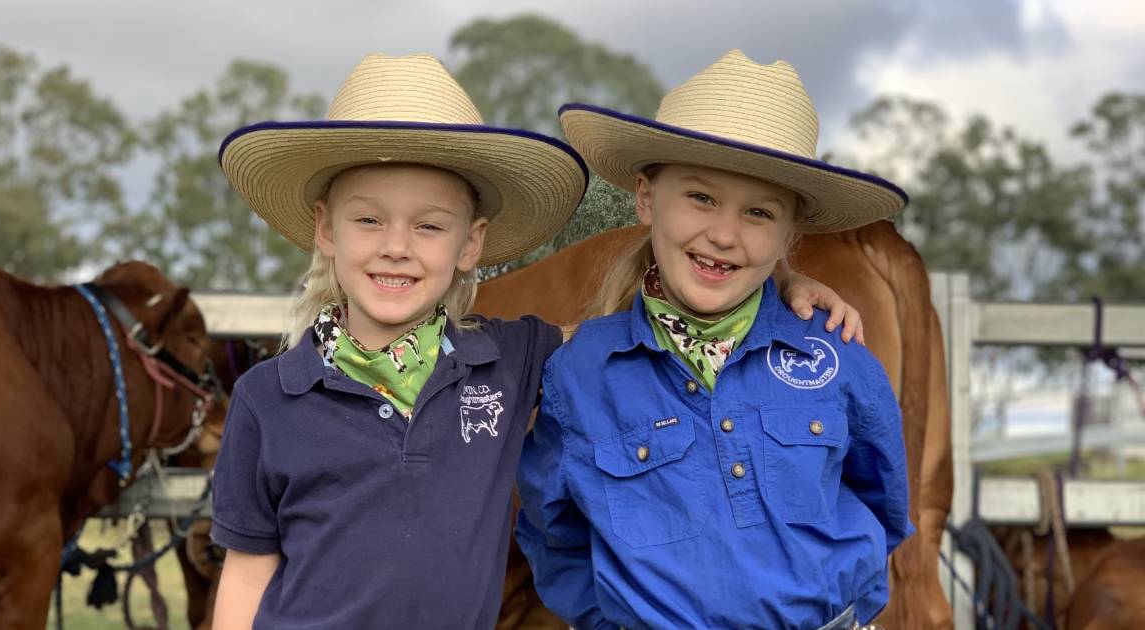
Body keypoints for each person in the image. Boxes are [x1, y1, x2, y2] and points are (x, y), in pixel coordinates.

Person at [211, 52, 867, 629]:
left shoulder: (510, 358)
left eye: (430, 226)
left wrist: (783, 285)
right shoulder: (267, 399)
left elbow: (660, 321)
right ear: (326, 230)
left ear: (472, 243)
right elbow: (246, 570)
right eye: (368, 219)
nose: (396, 247)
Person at [516, 50, 915, 630]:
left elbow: (884, 506)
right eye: (701, 198)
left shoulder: (834, 355)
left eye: (758, 212)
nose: (724, 234)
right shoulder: (582, 374)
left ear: (788, 234)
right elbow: (553, 532)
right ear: (647, 197)